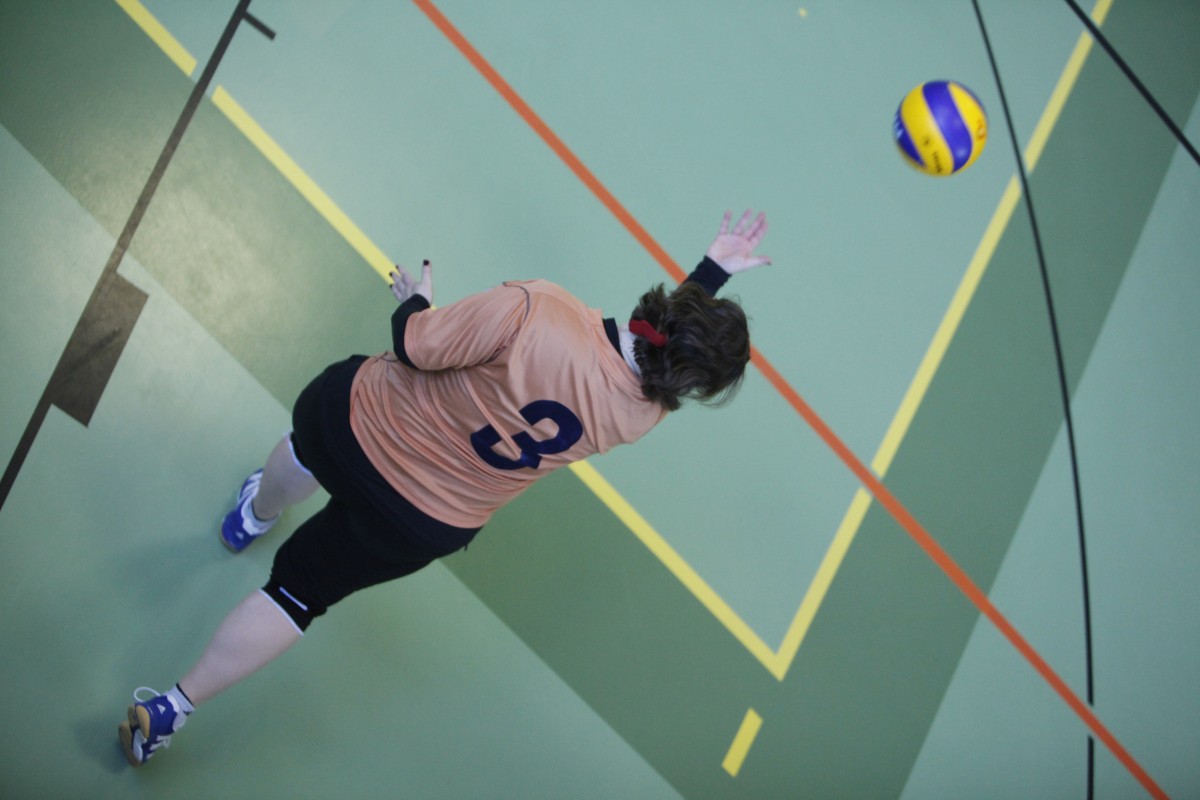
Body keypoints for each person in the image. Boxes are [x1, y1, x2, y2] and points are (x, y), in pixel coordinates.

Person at [118, 209, 771, 766]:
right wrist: (710, 273)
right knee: (296, 597)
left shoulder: (540, 308)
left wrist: (417, 300)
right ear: (690, 383)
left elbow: (415, 346)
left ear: (665, 309)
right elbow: (652, 357)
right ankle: (173, 708)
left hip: (359, 424)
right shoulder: (643, 416)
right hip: (420, 522)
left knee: (307, 450)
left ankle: (254, 516)